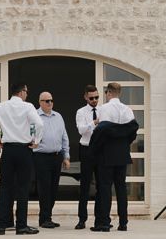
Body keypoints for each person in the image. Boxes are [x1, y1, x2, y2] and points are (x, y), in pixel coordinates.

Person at [0, 81, 44, 236]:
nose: (27, 94)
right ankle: (21, 226)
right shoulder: (28, 106)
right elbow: (40, 124)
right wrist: (36, 141)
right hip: (24, 150)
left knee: (5, 188)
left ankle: (1, 226)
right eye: (26, 92)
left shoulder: (1, 106)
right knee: (23, 188)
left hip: (8, 151)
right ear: (21, 92)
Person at [89, 82, 139, 232]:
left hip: (107, 154)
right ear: (120, 93)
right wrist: (123, 142)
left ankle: (104, 223)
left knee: (105, 188)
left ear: (108, 93)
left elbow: (102, 132)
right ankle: (123, 223)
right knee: (121, 188)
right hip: (122, 153)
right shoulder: (127, 110)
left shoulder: (104, 108)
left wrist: (95, 149)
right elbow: (132, 132)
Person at [32, 91, 70, 229]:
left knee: (53, 188)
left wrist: (66, 156)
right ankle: (44, 218)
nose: (50, 103)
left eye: (51, 100)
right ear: (40, 102)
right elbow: (29, 134)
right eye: (46, 101)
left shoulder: (58, 116)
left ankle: (48, 216)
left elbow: (64, 136)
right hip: (41, 156)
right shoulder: (34, 116)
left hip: (56, 156)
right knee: (44, 188)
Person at [74, 85, 101, 230]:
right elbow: (81, 130)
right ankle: (81, 219)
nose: (95, 100)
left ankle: (100, 219)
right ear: (85, 97)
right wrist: (94, 123)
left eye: (97, 97)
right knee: (85, 185)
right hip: (86, 149)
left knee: (101, 185)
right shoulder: (81, 112)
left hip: (101, 150)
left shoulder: (103, 110)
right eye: (91, 98)